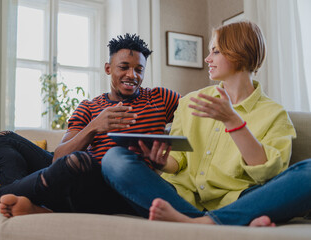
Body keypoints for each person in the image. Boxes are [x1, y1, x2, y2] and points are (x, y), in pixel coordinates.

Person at [0, 33, 181, 217]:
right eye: (124, 67)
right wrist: (93, 127)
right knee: (3, 138)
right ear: (108, 68)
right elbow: (59, 156)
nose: (132, 76)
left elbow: (198, 118)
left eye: (139, 69)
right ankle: (27, 199)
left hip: (111, 185)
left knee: (78, 163)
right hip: (72, 174)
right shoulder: (89, 107)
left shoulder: (160, 98)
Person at [101, 21, 311, 226]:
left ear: (239, 52)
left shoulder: (274, 114)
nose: (207, 58)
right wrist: (161, 162)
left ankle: (204, 222)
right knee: (114, 158)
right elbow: (178, 160)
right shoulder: (190, 101)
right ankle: (225, 221)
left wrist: (232, 121)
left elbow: (270, 174)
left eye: (215, 51)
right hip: (179, 199)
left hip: (239, 199)